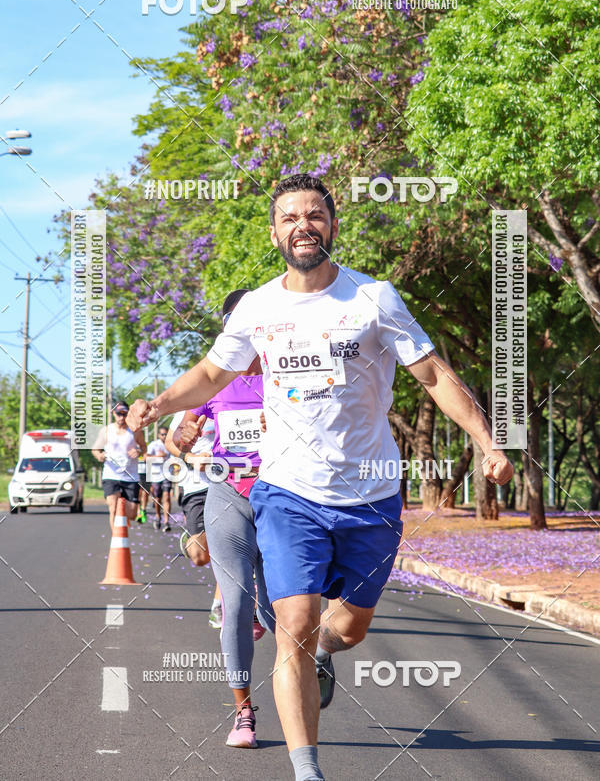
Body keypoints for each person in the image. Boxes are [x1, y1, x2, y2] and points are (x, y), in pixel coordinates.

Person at [127, 174, 513, 780]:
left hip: (371, 494)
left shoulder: (373, 299)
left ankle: (327, 654)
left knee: (349, 629)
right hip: (287, 492)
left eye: (314, 215)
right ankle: (308, 771)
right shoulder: (258, 307)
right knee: (294, 629)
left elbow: (433, 375)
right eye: (289, 217)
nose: (302, 225)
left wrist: (486, 439)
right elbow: (210, 373)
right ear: (274, 231)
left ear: (332, 226)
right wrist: (161, 404)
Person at [173, 288, 274, 749]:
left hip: (283, 498)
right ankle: (243, 713)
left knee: (283, 613)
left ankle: (315, 659)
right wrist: (185, 433)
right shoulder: (214, 381)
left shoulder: (287, 372)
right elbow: (178, 437)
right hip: (228, 492)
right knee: (234, 606)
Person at [164, 410, 223, 629]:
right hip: (196, 486)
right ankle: (191, 537)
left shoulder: (231, 398)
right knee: (200, 556)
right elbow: (170, 442)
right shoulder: (187, 408)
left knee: (225, 547)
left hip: (229, 484)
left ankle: (218, 603)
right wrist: (191, 458)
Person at [93, 400, 146, 531]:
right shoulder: (106, 430)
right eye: (119, 414)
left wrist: (138, 451)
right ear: (113, 413)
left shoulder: (135, 431)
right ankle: (116, 539)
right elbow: (95, 449)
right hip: (111, 474)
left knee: (132, 513)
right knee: (113, 507)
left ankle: (123, 527)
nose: (121, 417)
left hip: (130, 476)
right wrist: (99, 456)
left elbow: (144, 448)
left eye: (124, 414)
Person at [146, 426, 171, 531]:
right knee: (157, 499)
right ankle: (157, 516)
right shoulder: (154, 445)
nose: (164, 436)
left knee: (167, 497)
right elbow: (145, 457)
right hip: (156, 475)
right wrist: (158, 457)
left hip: (167, 474)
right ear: (158, 435)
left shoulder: (170, 444)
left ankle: (166, 521)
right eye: (162, 434)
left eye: (166, 434)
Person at [136, 450, 150, 523]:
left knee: (145, 493)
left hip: (147, 472)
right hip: (136, 472)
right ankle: (138, 511)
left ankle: (143, 509)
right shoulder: (132, 445)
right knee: (138, 493)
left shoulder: (148, 446)